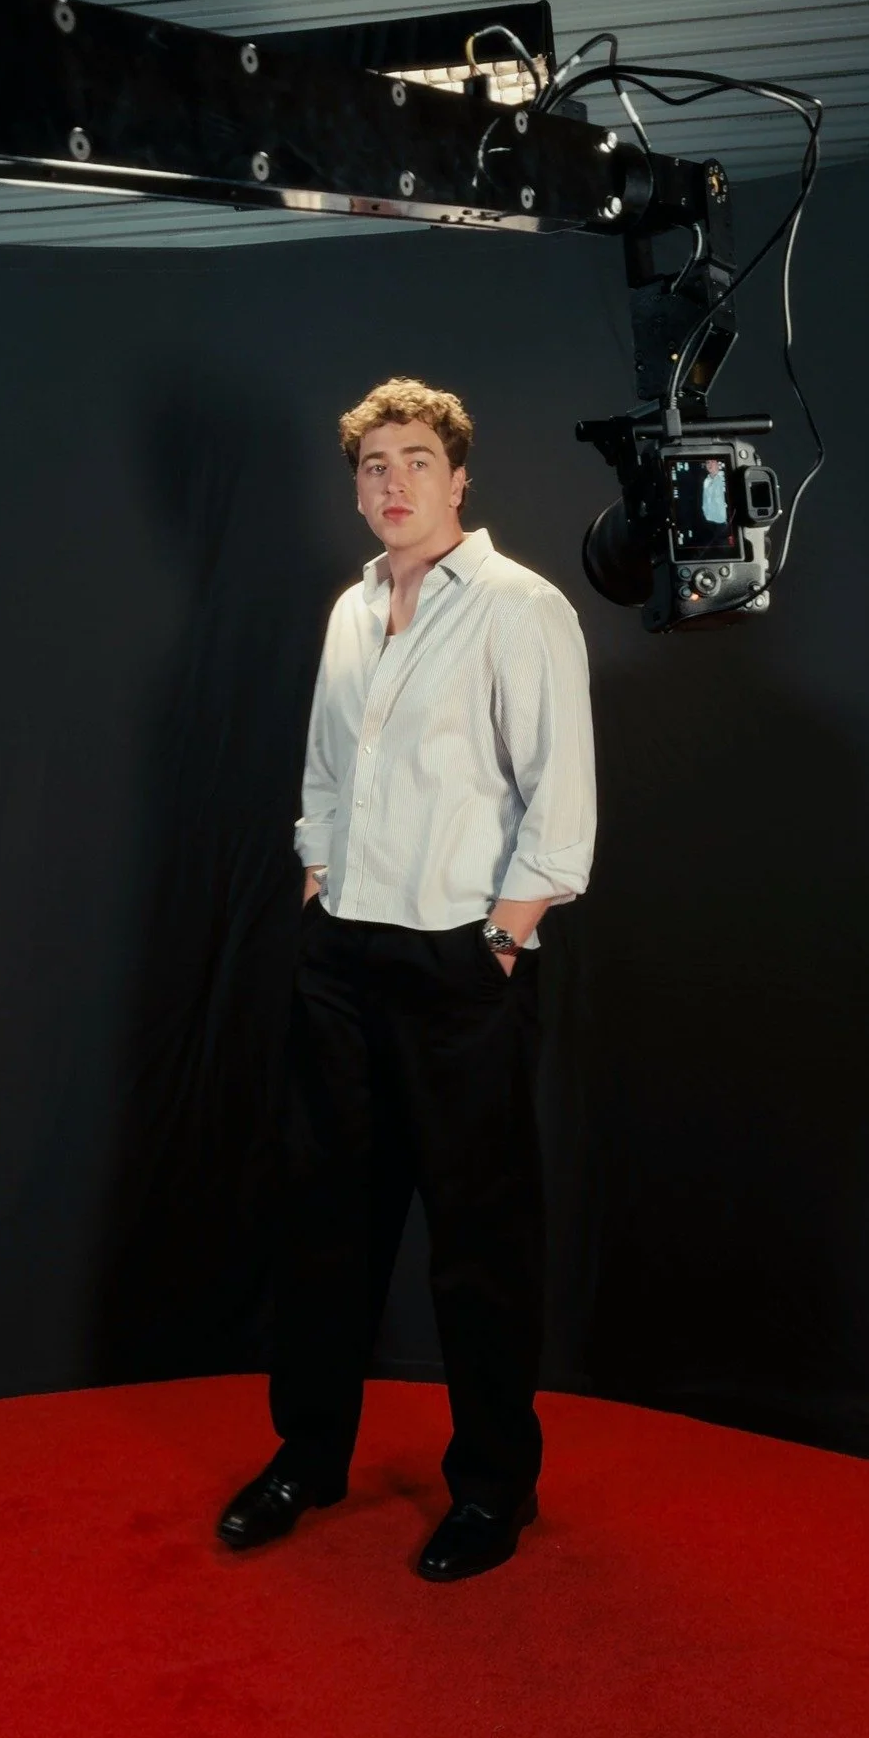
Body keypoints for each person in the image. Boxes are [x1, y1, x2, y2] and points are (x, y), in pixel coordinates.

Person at [217, 378, 597, 1581]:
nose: (393, 482)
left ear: (460, 477)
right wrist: (317, 877)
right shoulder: (350, 611)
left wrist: (506, 934)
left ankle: (492, 1488)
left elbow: (560, 799)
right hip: (342, 957)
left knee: (479, 1238)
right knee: (323, 1222)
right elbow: (327, 772)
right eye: (373, 465)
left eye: (416, 460)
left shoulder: (520, 607)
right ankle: (308, 1456)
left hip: (460, 961)